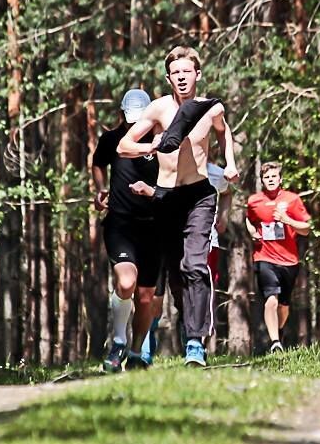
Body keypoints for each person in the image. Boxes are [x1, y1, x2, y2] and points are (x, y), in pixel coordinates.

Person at [118, 46, 238, 367]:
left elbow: (224, 135)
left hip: (199, 195)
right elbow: (124, 145)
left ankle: (196, 343)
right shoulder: (158, 110)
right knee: (173, 275)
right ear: (168, 78)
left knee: (195, 266)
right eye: (176, 74)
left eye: (187, 72)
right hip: (166, 197)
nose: (182, 78)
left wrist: (230, 163)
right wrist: (151, 145)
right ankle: (181, 329)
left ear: (197, 74)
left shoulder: (210, 109)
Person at [91, 88, 161, 372]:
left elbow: (175, 179)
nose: (133, 125)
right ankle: (118, 341)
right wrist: (100, 189)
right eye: (129, 118)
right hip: (120, 223)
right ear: (121, 114)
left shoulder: (160, 142)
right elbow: (98, 163)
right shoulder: (111, 139)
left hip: (154, 227)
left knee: (145, 297)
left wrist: (153, 192)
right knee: (126, 283)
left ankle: (135, 353)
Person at [245, 161, 311, 353]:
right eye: (267, 177)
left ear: (280, 179)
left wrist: (287, 220)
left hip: (289, 260)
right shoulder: (254, 201)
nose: (271, 180)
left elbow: (306, 229)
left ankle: (279, 330)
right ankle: (275, 343)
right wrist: (252, 232)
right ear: (262, 181)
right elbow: (249, 219)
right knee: (271, 299)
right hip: (264, 257)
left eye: (274, 177)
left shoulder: (292, 200)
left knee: (283, 305)